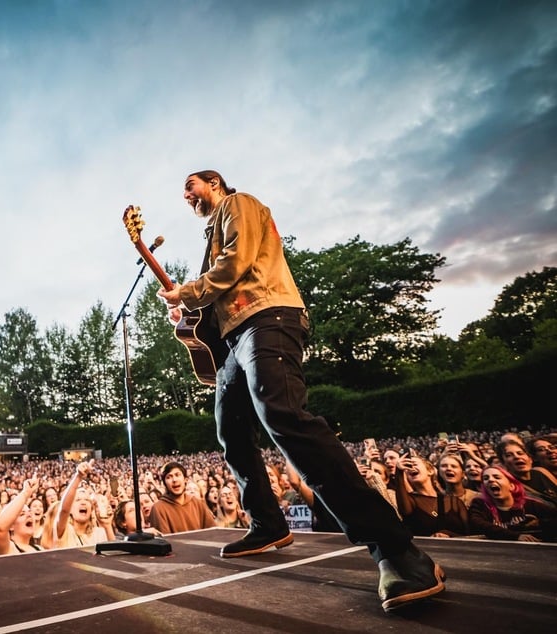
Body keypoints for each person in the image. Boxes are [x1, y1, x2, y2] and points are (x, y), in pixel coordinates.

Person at [157, 170, 444, 612]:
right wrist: (188, 309)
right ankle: (268, 523)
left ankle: (397, 550)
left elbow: (234, 265)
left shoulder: (239, 204)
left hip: (267, 317)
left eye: (190, 186)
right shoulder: (210, 233)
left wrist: (189, 291)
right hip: (238, 335)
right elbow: (216, 292)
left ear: (214, 183)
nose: (185, 195)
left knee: (282, 416)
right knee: (230, 428)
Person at [468, 466, 557, 542]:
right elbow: (479, 524)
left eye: (497, 477)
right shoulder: (479, 504)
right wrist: (516, 536)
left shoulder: (530, 504)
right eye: (486, 478)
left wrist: (541, 523)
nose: (491, 480)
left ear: (511, 486)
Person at [146, 461, 216, 534]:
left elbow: (212, 532)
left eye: (177, 475)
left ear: (185, 479)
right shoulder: (158, 508)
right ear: (165, 484)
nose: (174, 480)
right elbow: (164, 540)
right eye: (169, 477)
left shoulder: (197, 503)